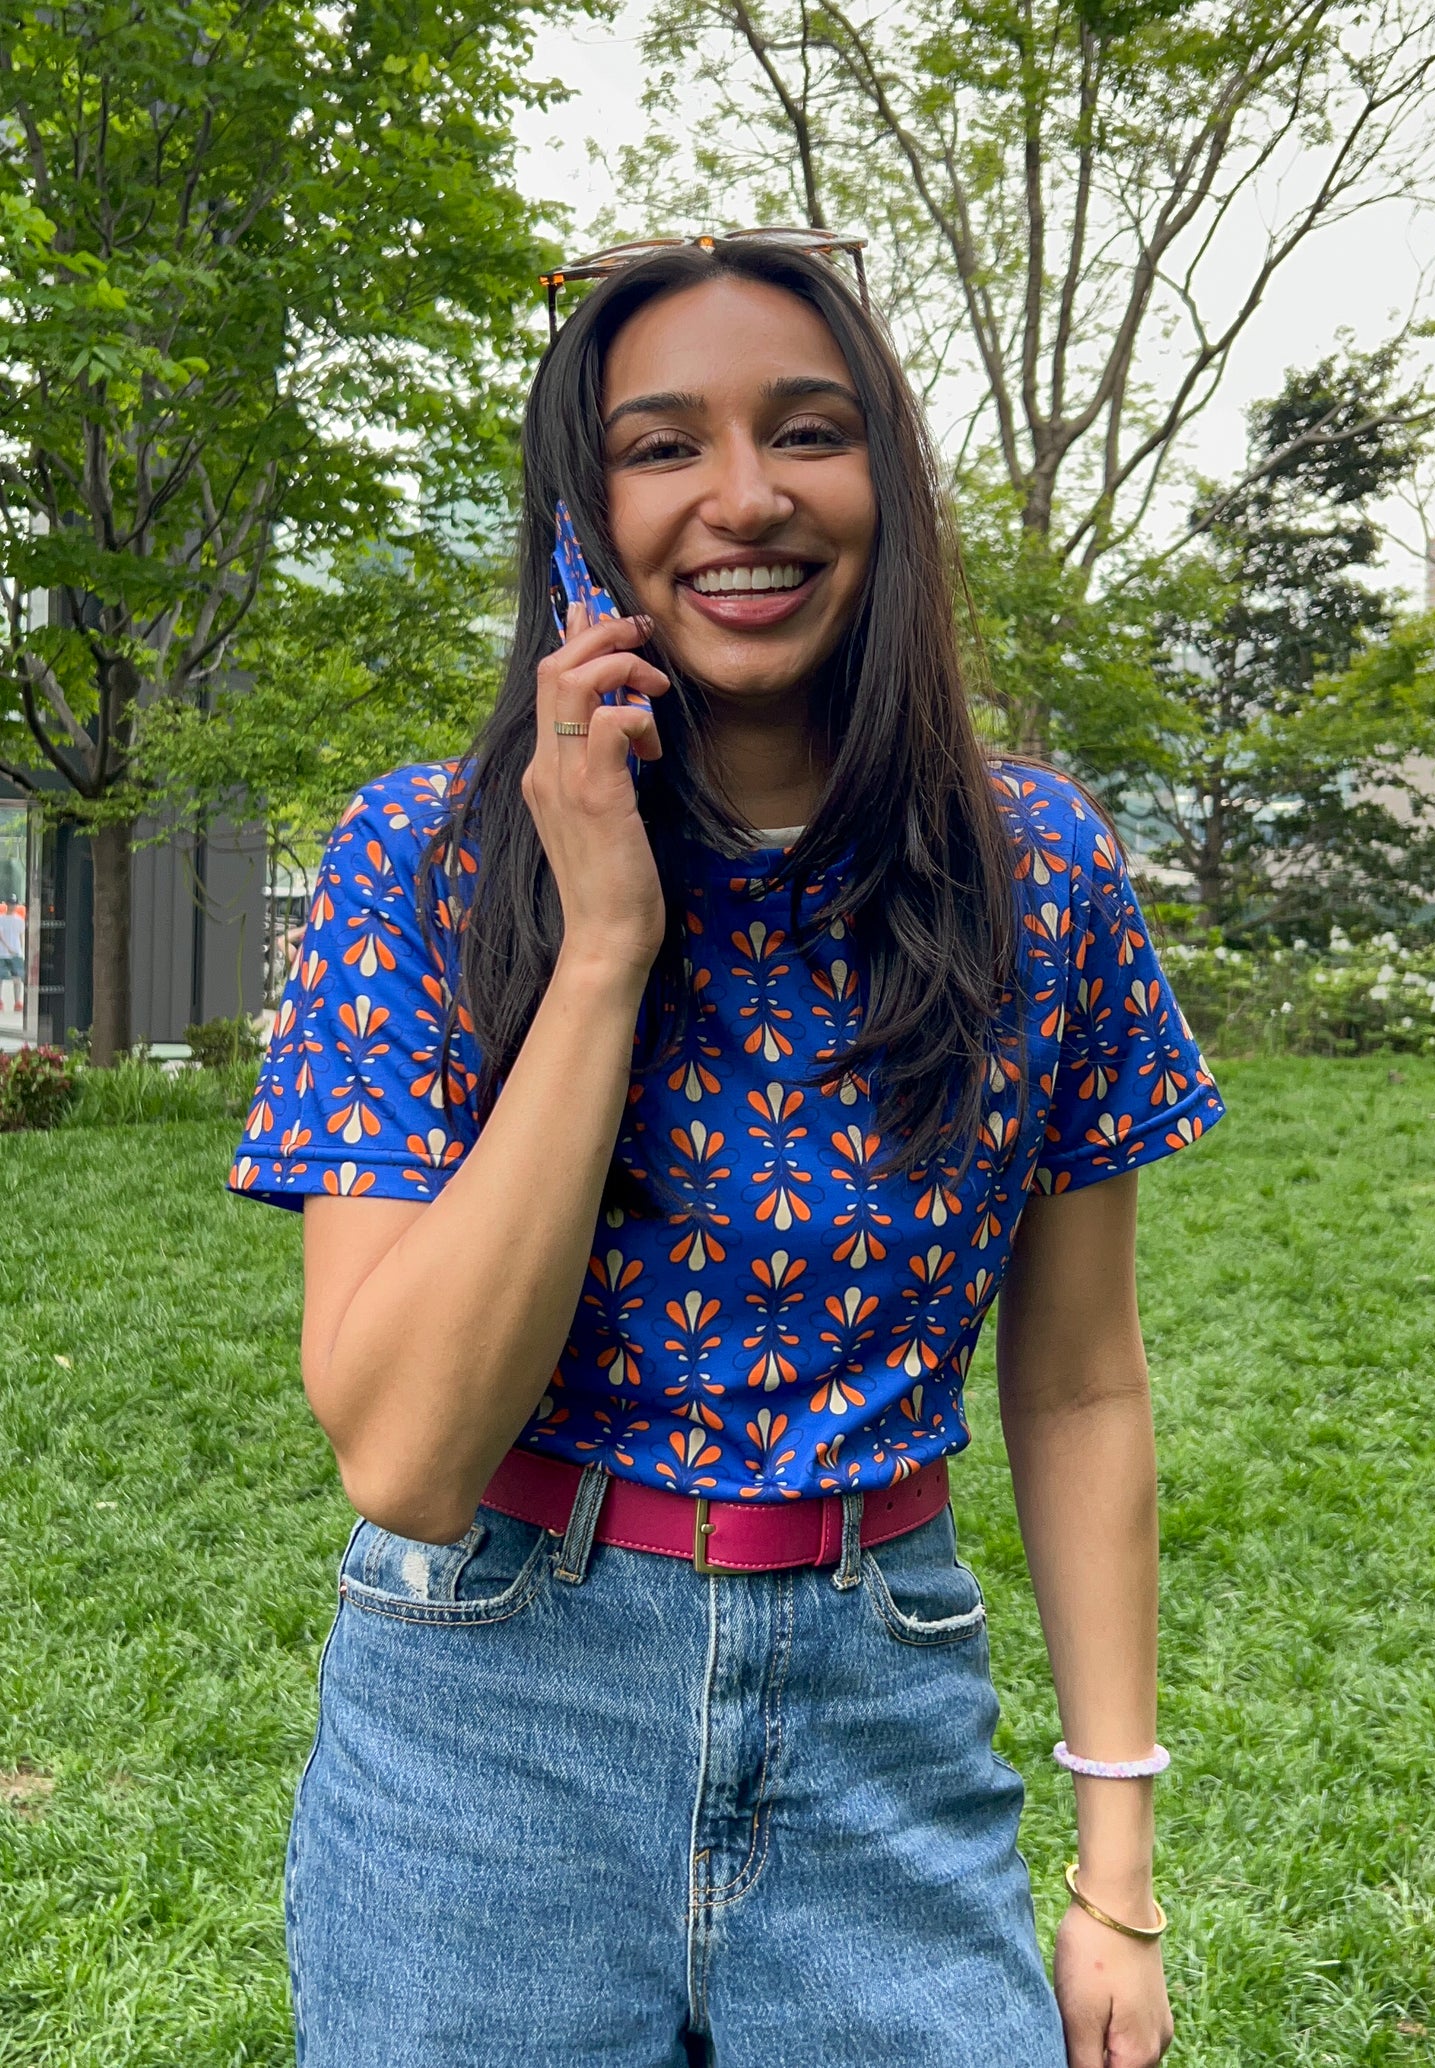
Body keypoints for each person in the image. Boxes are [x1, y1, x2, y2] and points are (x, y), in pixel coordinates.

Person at [231, 231, 1223, 2068]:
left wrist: (1116, 1874)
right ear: (577, 515)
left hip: (883, 1711)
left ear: (886, 490)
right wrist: (601, 947)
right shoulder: (423, 864)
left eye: (808, 432)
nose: (744, 498)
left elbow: (1079, 1387)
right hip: (484, 1732)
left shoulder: (1040, 870)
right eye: (663, 445)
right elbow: (404, 1452)